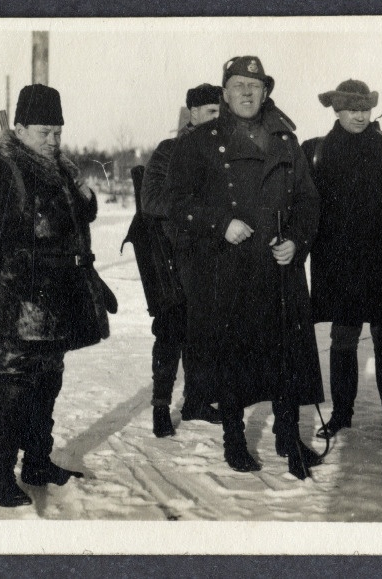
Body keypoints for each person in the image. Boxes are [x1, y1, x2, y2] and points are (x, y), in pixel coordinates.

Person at [166, 56, 324, 479]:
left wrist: (297, 240)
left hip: (278, 265)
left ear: (266, 92)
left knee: (286, 356)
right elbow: (175, 202)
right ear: (225, 93)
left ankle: (288, 438)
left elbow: (309, 200)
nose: (248, 93)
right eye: (238, 85)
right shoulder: (200, 141)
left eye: (255, 86)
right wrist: (221, 223)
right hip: (228, 267)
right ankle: (234, 440)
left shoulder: (286, 140)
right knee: (232, 357)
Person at [0, 84, 110, 506]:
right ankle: (0, 475)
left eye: (58, 132)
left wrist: (83, 193)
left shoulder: (60, 170)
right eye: (45, 132)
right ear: (21, 128)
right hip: (21, 306)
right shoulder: (3, 171)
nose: (53, 140)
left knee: (48, 382)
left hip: (59, 303)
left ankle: (38, 461)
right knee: (13, 388)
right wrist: (19, 266)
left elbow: (80, 218)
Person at [302, 80, 382, 443]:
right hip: (338, 264)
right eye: (352, 109)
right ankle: (341, 416)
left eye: (365, 108)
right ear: (337, 110)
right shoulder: (315, 151)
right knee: (343, 338)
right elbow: (301, 204)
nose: (360, 115)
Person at [140, 83, 223, 437]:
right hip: (171, 255)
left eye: (222, 113)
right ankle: (161, 405)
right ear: (192, 115)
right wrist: (194, 211)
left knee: (205, 330)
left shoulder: (225, 151)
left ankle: (196, 401)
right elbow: (151, 201)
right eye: (211, 113)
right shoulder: (169, 151)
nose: (218, 120)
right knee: (172, 330)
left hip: (212, 255)